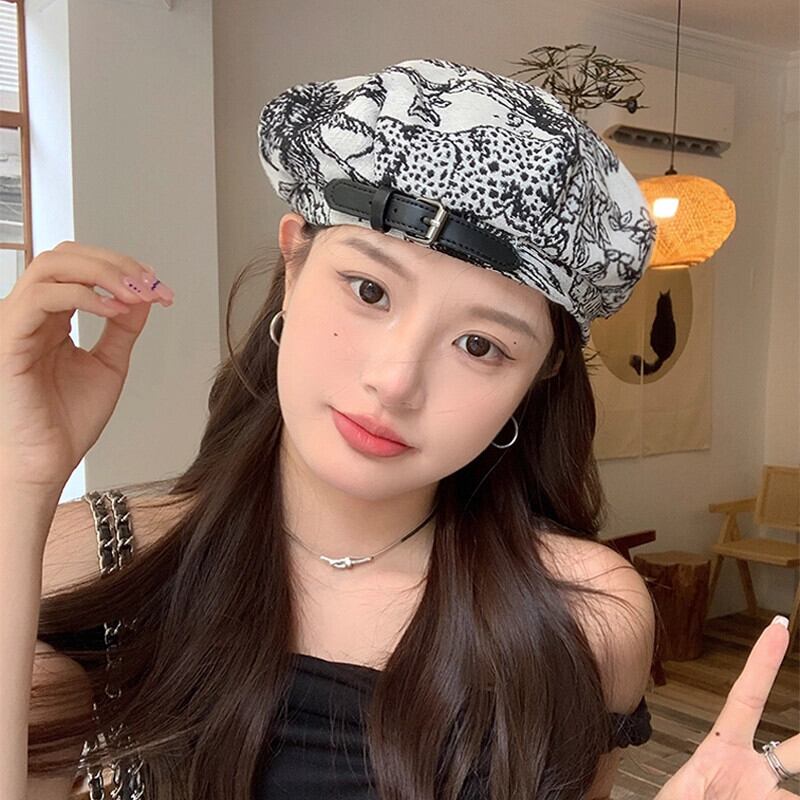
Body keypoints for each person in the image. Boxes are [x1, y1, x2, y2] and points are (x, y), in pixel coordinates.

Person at [1, 58, 797, 800]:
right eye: (370, 290)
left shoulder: (585, 616)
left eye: (480, 345)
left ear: (537, 377)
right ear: (294, 264)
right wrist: (19, 477)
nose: (396, 381)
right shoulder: (81, 563)